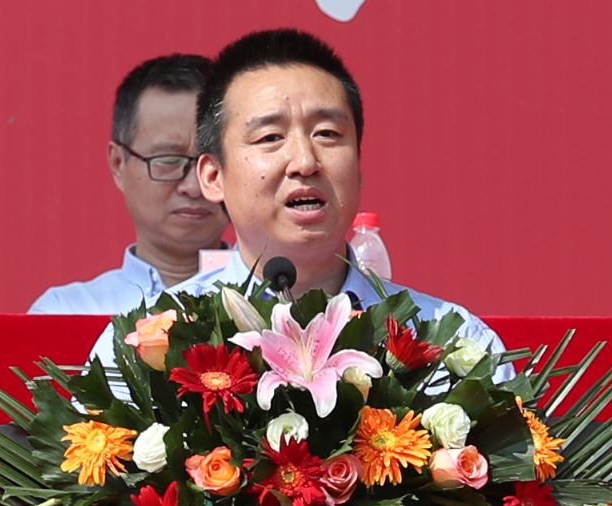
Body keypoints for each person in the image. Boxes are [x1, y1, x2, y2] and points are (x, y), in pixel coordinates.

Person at [92, 28, 504, 365]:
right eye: (270, 137)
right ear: (213, 176)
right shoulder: (149, 343)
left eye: (327, 134)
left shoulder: (452, 343)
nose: (305, 161)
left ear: (359, 165)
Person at [28, 54, 228, 314]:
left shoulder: (273, 305)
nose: (194, 187)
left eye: (211, 162)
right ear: (118, 163)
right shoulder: (66, 312)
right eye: (168, 160)